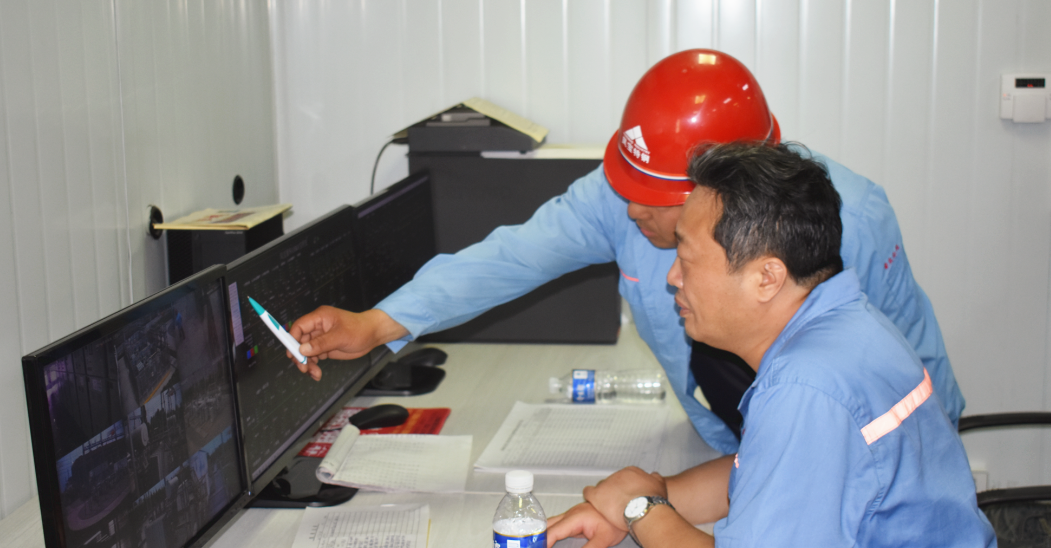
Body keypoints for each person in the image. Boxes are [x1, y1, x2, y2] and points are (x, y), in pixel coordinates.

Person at [289, 49, 964, 456]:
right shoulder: (625, 195)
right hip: (727, 448)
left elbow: (902, 373)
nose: (631, 210)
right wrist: (377, 323)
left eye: (657, 200)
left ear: (726, 192)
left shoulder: (850, 221)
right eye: (626, 188)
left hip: (858, 460)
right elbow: (513, 257)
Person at [546, 141, 1012, 548]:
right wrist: (648, 495)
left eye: (686, 257)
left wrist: (642, 510)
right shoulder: (847, 326)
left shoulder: (807, 388)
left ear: (767, 277)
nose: (672, 277)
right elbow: (768, 470)